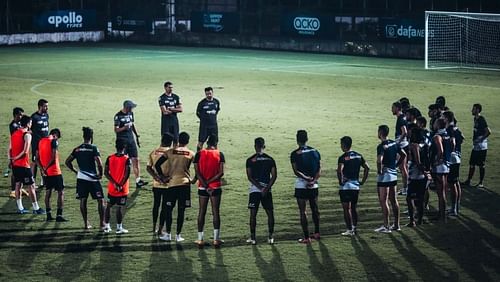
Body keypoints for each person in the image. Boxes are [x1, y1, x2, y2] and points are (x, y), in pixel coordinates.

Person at [155, 132, 195, 243]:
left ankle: (168, 234)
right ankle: (178, 235)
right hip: (185, 184)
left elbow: (157, 165)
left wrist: (162, 177)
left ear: (178, 140)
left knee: (169, 210)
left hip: (172, 184)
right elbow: (198, 168)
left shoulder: (169, 152)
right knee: (181, 211)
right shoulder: (191, 153)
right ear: (187, 141)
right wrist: (193, 180)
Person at [65, 127, 105, 230]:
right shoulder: (93, 148)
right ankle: (102, 223)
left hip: (81, 178)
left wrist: (75, 171)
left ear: (83, 136)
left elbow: (67, 162)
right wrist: (100, 174)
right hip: (92, 178)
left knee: (83, 200)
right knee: (100, 200)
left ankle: (86, 224)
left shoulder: (77, 149)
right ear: (91, 137)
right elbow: (99, 163)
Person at [193, 134, 225, 248]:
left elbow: (197, 172)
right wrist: (210, 183)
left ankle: (200, 239)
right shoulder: (219, 154)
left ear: (207, 142)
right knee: (215, 211)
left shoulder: (199, 154)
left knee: (202, 211)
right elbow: (221, 173)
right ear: (216, 143)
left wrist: (205, 185)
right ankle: (216, 239)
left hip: (202, 187)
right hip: (215, 187)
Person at [9, 115, 45, 214]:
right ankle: (36, 208)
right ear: (28, 123)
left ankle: (20, 208)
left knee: (18, 185)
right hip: (23, 165)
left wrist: (11, 159)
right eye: (31, 123)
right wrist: (16, 158)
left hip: (15, 165)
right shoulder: (27, 135)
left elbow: (10, 149)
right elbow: (25, 151)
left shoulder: (14, 133)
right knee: (31, 186)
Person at [291, 130, 321, 244]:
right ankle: (317, 233)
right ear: (307, 138)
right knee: (315, 209)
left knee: (303, 211)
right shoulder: (315, 151)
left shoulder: (295, 153)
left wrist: (306, 179)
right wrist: (313, 180)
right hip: (314, 184)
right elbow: (319, 168)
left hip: (301, 185)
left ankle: (307, 237)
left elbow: (296, 171)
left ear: (297, 139)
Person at [245, 137, 277, 245]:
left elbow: (249, 177)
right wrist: (266, 188)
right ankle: (271, 237)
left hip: (255, 190)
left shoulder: (250, 160)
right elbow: (274, 176)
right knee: (270, 213)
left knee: (253, 214)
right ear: (264, 146)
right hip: (267, 191)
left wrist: (259, 188)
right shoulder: (270, 159)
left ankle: (253, 238)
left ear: (255, 146)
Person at [375, 125, 406, 233]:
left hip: (385, 176)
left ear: (380, 133)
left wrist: (379, 171)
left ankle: (386, 226)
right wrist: (396, 165)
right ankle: (397, 225)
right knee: (394, 200)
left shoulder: (381, 146)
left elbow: (379, 160)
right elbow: (404, 155)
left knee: (384, 200)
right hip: (393, 174)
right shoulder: (394, 143)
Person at [337, 136, 369, 236]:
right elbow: (367, 168)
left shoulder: (342, 158)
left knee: (347, 209)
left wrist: (341, 181)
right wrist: (362, 181)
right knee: (354, 208)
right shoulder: (359, 156)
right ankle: (354, 227)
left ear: (343, 145)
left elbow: (339, 170)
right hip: (356, 186)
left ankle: (349, 229)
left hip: (346, 187)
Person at [114, 100, 148, 188]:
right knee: (123, 161)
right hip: (122, 141)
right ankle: (121, 181)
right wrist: (124, 127)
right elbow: (116, 130)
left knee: (135, 159)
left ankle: (138, 180)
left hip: (131, 140)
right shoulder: (118, 116)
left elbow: (132, 124)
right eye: (131, 107)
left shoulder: (130, 114)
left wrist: (136, 135)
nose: (132, 109)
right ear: (127, 107)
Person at [37, 128, 67, 222]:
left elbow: (36, 158)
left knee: (48, 192)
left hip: (46, 173)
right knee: (61, 192)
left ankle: (48, 215)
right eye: (57, 138)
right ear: (55, 135)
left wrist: (42, 169)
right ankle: (59, 215)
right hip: (55, 172)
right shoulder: (53, 141)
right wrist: (46, 168)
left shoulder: (41, 141)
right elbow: (53, 158)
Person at [146, 133, 173, 235]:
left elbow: (148, 168)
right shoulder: (170, 153)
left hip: (156, 184)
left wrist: (156, 177)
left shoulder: (154, 152)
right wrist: (165, 178)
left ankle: (153, 227)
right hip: (167, 184)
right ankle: (160, 229)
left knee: (156, 205)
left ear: (162, 140)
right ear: (170, 142)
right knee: (164, 207)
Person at [103, 139, 131, 234]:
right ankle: (119, 228)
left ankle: (107, 227)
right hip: (122, 189)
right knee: (119, 207)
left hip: (112, 188)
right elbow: (127, 174)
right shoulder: (126, 159)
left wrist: (114, 183)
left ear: (116, 147)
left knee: (108, 206)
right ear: (124, 147)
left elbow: (106, 173)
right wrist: (120, 185)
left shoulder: (110, 158)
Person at [462, 104, 491, 188]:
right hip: (476, 146)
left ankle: (481, 182)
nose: (472, 110)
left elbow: (488, 131)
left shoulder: (481, 119)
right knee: (472, 163)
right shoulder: (475, 118)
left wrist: (480, 139)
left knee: (481, 164)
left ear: (478, 110)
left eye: (473, 109)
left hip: (482, 146)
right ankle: (468, 180)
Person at [406, 127, 429, 227]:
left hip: (415, 174)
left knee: (409, 198)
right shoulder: (424, 144)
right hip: (421, 175)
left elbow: (418, 161)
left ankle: (412, 221)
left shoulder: (414, 145)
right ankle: (420, 220)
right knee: (420, 198)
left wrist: (425, 173)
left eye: (411, 133)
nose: (409, 134)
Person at [430, 118, 451, 221]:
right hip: (446, 165)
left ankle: (442, 216)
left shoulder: (437, 136)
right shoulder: (446, 134)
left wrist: (436, 162)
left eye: (435, 122)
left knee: (440, 192)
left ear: (438, 125)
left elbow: (440, 151)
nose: (433, 124)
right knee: (443, 192)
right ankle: (442, 213)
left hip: (440, 167)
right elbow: (452, 145)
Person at [443, 111, 464, 216]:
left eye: (443, 117)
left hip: (452, 159)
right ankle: (456, 206)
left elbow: (453, 141)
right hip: (457, 157)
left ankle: (454, 209)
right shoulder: (456, 128)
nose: (442, 119)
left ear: (447, 118)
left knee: (452, 184)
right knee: (456, 182)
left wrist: (451, 151)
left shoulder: (449, 128)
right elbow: (462, 138)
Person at [7, 107, 29, 198]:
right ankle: (13, 190)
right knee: (15, 171)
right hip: (15, 150)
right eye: (20, 114)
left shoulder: (19, 123)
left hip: (19, 148)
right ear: (15, 115)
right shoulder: (13, 125)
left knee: (20, 169)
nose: (21, 116)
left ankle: (20, 188)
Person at [31, 99, 49, 188]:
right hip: (36, 144)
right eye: (45, 106)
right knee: (35, 162)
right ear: (40, 106)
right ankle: (32, 182)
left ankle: (43, 181)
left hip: (45, 144)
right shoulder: (34, 117)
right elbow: (29, 129)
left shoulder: (46, 115)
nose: (47, 108)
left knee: (44, 161)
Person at [392, 101, 409, 196]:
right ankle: (406, 187)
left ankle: (406, 188)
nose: (391, 109)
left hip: (402, 145)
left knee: (403, 168)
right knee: (404, 167)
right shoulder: (402, 117)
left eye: (393, 107)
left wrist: (398, 142)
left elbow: (405, 132)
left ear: (398, 108)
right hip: (404, 144)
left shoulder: (401, 118)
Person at [196, 87, 220, 151]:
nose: (209, 95)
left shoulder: (216, 102)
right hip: (204, 126)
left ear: (212, 93)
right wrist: (204, 119)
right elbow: (198, 113)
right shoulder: (202, 103)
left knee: (215, 143)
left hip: (213, 126)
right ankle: (198, 157)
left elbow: (217, 111)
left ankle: (216, 157)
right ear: (205, 94)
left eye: (210, 93)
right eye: (207, 94)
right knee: (201, 142)